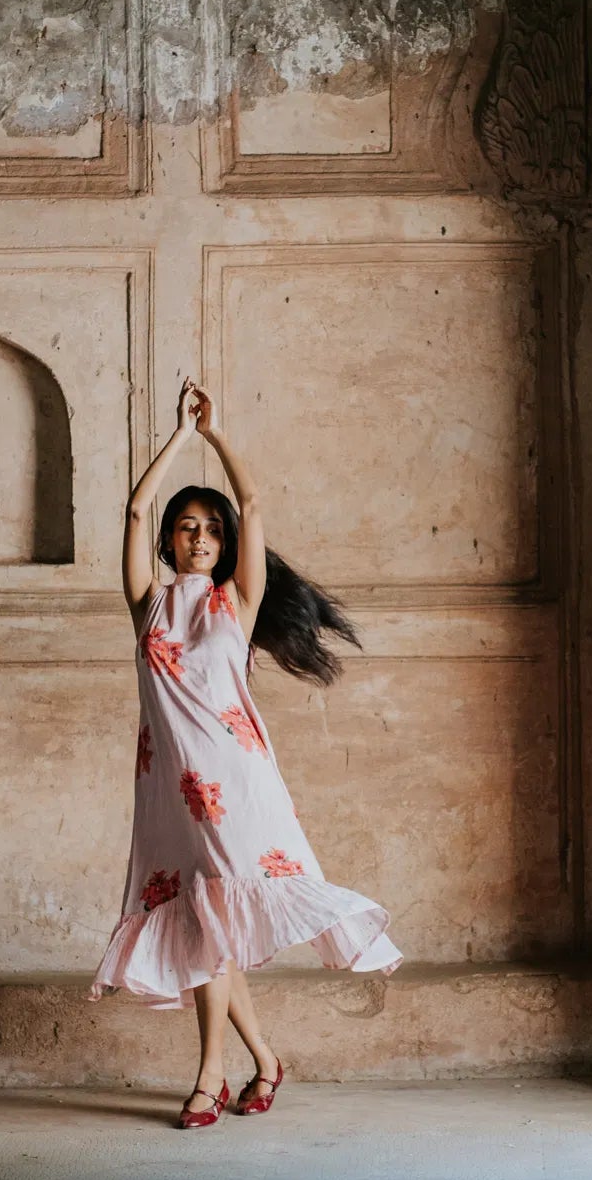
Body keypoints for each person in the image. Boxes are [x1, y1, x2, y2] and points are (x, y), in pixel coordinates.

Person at [89, 376, 401, 1128]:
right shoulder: (147, 603)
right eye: (186, 528)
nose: (199, 538)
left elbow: (253, 504)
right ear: (168, 540)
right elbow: (134, 508)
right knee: (203, 923)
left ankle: (210, 1076)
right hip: (169, 787)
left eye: (211, 530)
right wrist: (177, 436)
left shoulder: (238, 601)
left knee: (211, 919)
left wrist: (215, 433)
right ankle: (265, 1061)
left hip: (235, 781)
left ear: (225, 544)